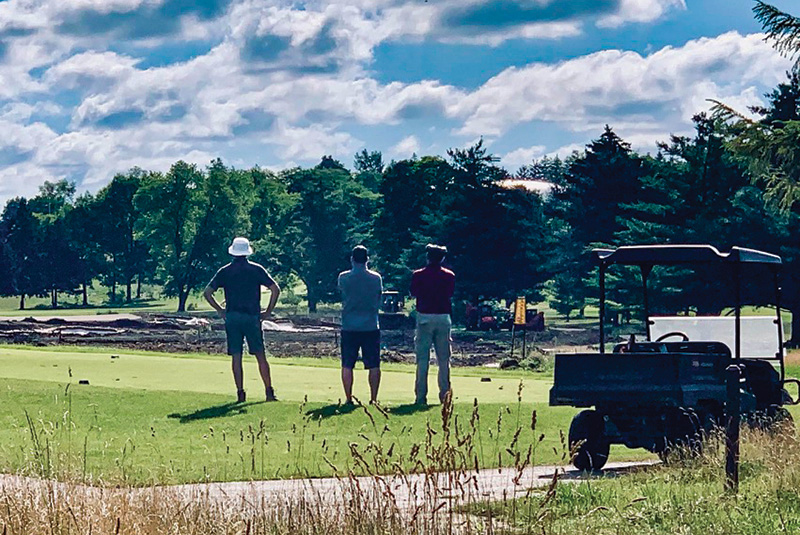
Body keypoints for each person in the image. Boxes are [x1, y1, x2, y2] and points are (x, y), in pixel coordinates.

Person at [204, 237, 281, 403]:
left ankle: (240, 393)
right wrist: (267, 311)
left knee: (236, 356)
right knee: (260, 355)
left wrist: (220, 310)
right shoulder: (256, 269)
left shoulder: (225, 271)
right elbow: (275, 289)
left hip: (232, 317)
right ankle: (269, 392)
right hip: (252, 316)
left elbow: (207, 293)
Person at [337, 245, 383, 404]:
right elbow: (378, 298)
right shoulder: (376, 278)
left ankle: (349, 398)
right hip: (370, 325)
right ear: (367, 259)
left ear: (352, 259)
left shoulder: (343, 277)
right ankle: (373, 398)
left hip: (349, 325)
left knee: (347, 364)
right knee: (373, 364)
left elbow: (342, 293)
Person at [410, 244, 455, 405]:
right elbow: (450, 293)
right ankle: (445, 395)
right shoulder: (449, 276)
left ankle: (420, 396)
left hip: (424, 317)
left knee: (422, 359)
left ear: (428, 257)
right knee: (444, 360)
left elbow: (413, 292)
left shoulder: (418, 275)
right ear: (442, 258)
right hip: (443, 317)